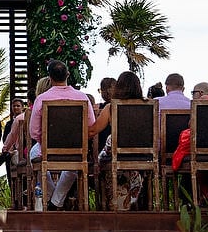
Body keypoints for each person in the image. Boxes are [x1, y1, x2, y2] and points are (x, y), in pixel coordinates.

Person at [28, 60, 92, 211]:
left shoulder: (42, 99)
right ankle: (56, 201)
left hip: (47, 148)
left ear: (49, 78)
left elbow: (34, 131)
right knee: (73, 166)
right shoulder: (82, 97)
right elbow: (90, 126)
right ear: (68, 74)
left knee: (33, 154)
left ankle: (52, 198)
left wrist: (45, 143)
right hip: (77, 149)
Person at [92, 70, 144, 211]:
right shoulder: (148, 106)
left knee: (102, 158)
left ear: (119, 87)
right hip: (142, 157)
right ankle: (136, 185)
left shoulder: (111, 107)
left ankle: (111, 201)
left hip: (118, 156)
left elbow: (93, 131)